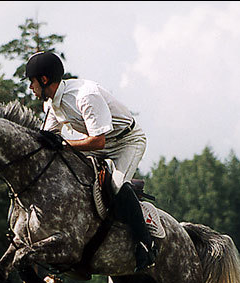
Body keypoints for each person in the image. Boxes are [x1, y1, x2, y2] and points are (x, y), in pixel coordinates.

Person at [25, 51, 157, 271]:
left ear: (44, 80)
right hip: (100, 142)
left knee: (115, 184)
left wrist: (65, 145)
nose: (30, 87)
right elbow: (49, 141)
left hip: (126, 141)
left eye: (32, 82)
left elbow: (98, 142)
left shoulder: (85, 97)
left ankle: (145, 243)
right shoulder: (51, 105)